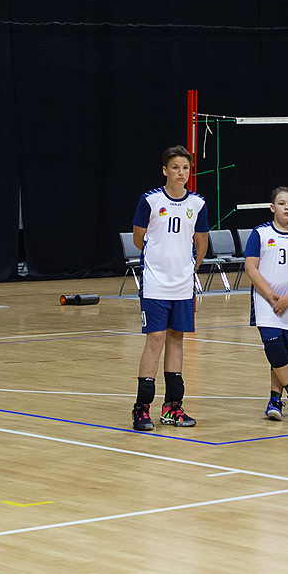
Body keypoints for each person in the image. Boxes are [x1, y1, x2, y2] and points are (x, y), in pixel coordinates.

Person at [130, 145, 210, 430]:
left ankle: (172, 408)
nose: (181, 172)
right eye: (175, 167)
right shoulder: (149, 201)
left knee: (177, 339)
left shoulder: (197, 203)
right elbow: (140, 239)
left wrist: (191, 267)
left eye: (185, 168)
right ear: (165, 170)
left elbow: (202, 241)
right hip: (155, 284)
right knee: (155, 339)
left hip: (183, 284)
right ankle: (142, 408)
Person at [244, 185, 288, 422]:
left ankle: (275, 399)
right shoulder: (260, 233)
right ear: (273, 207)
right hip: (265, 301)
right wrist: (272, 296)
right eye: (282, 203)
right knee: (273, 346)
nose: (287, 208)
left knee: (283, 351)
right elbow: (251, 267)